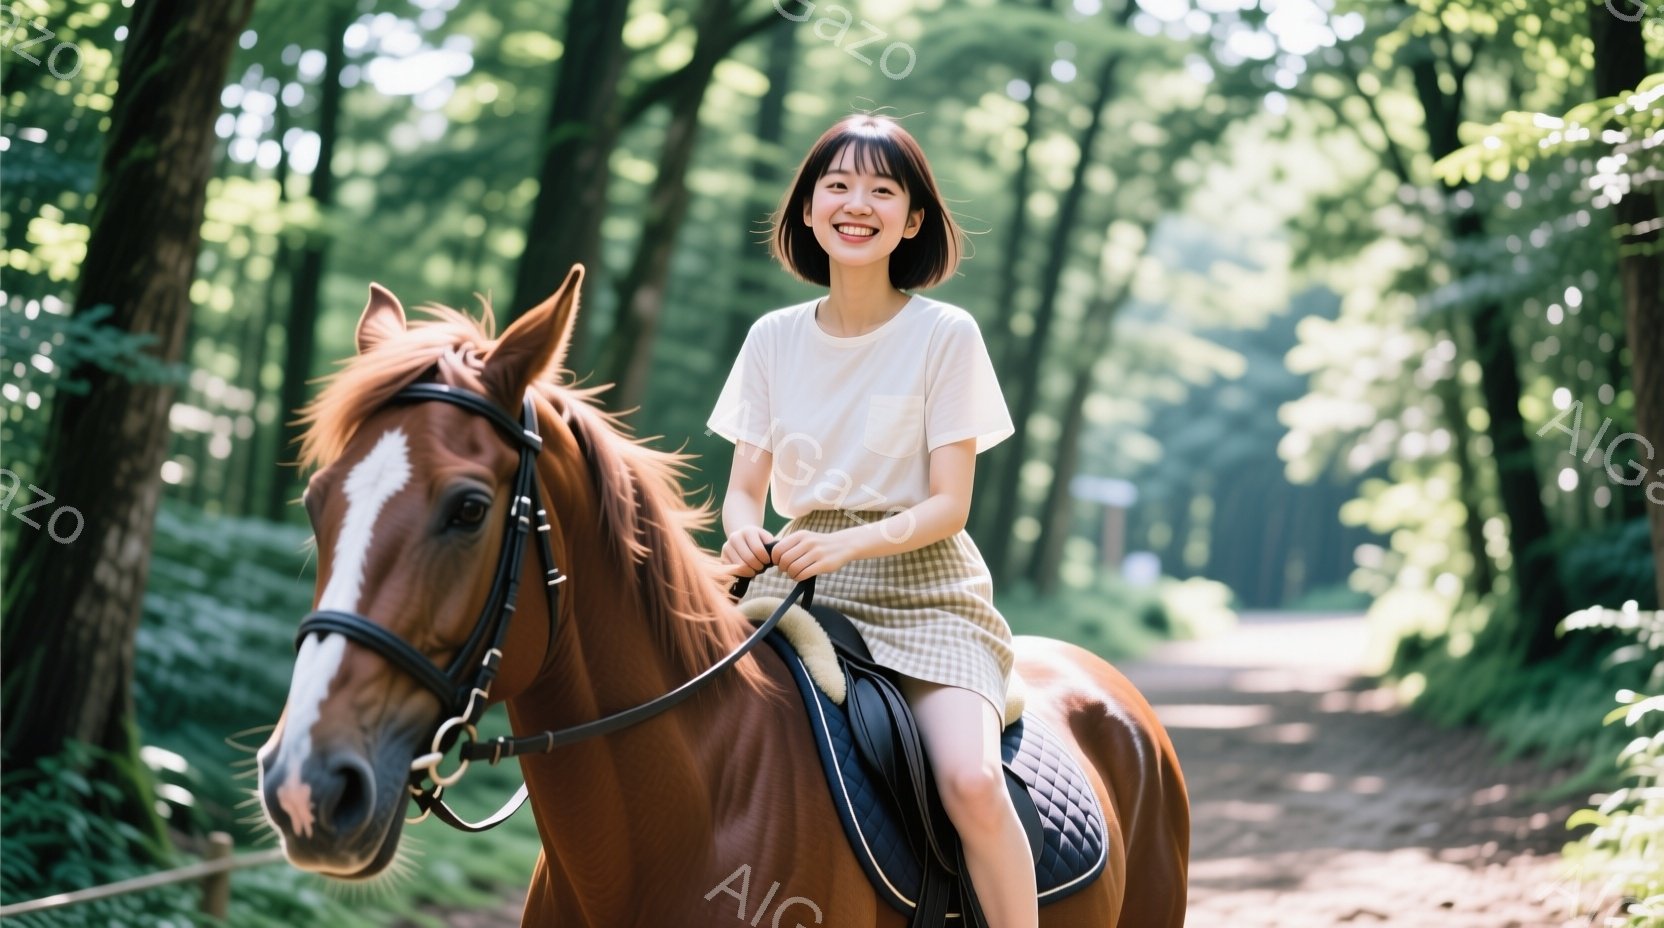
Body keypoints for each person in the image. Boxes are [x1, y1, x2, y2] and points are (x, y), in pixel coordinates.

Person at [707, 114, 1035, 927]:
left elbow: (949, 504)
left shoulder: (945, 335)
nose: (858, 204)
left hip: (924, 589)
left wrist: (847, 543)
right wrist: (744, 531)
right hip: (795, 581)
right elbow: (744, 489)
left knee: (971, 782)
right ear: (808, 208)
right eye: (838, 185)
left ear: (913, 220)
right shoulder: (772, 338)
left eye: (883, 191)